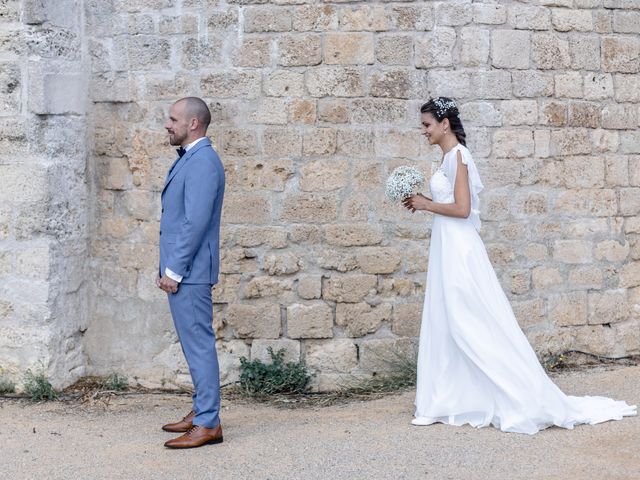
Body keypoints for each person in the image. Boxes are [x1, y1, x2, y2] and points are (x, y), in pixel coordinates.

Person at [402, 97, 636, 434]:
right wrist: (423, 202)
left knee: (466, 318)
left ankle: (514, 392)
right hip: (446, 245)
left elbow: (464, 209)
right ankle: (442, 400)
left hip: (460, 248)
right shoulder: (446, 159)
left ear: (444, 124)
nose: (423, 131)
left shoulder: (459, 157)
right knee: (444, 317)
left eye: (426, 125)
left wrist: (426, 204)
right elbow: (450, 204)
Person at [156, 97, 226, 448]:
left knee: (199, 345)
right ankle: (201, 410)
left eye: (173, 119)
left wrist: (174, 270)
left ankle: (208, 422)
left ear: (193, 124)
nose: (167, 124)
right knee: (193, 343)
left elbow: (194, 223)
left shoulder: (202, 162)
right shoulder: (193, 159)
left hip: (191, 271)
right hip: (187, 269)